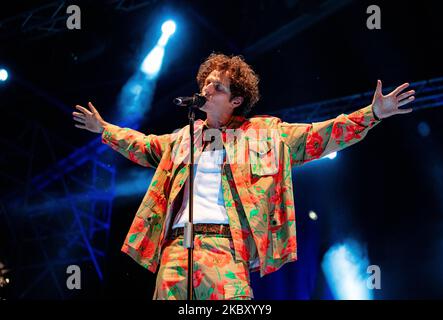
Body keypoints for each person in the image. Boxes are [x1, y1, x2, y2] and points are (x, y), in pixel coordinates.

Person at [73, 53, 415, 300]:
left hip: (227, 250)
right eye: (206, 82)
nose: (207, 88)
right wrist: (104, 129)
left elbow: (321, 134)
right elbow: (142, 145)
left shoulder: (265, 134)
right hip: (176, 250)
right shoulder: (182, 138)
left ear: (236, 99)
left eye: (217, 86)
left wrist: (372, 114)